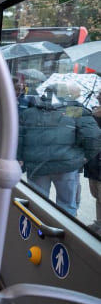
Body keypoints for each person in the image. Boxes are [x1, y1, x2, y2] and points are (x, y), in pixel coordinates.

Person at [18, 84, 101, 216]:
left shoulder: (29, 113)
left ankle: (37, 233)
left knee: (36, 204)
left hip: (37, 165)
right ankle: (64, 233)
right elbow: (94, 136)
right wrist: (84, 157)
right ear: (65, 95)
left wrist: (19, 157)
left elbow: (18, 137)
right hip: (67, 166)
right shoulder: (72, 110)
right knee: (66, 205)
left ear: (45, 94)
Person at [84, 90, 101, 234]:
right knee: (96, 195)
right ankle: (99, 222)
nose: (98, 96)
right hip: (93, 163)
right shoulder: (93, 115)